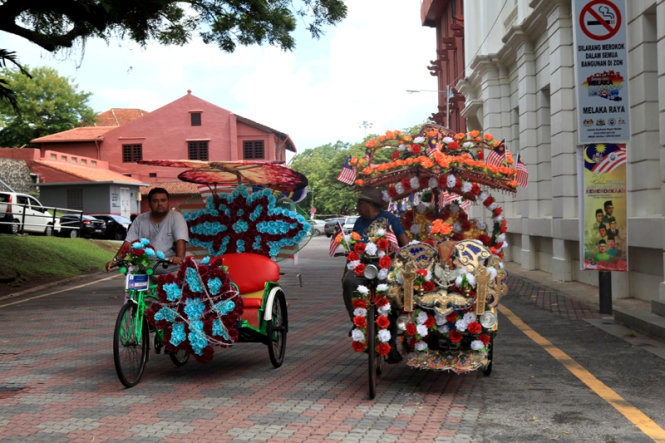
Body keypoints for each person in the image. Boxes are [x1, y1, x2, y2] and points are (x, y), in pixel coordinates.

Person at [342, 187, 409, 363]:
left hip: (386, 266)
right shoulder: (358, 222)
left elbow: (404, 243)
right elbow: (352, 250)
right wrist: (345, 270)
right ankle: (356, 321)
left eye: (360, 204)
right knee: (349, 282)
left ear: (369, 205)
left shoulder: (390, 219)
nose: (357, 207)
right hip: (363, 267)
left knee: (392, 296)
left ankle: (391, 343)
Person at [106, 187, 189, 273]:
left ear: (168, 202)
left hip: (168, 266)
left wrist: (178, 258)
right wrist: (116, 260)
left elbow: (180, 241)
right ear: (149, 203)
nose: (160, 204)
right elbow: (128, 243)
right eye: (155, 201)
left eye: (163, 200)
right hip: (144, 266)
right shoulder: (140, 219)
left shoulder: (176, 217)